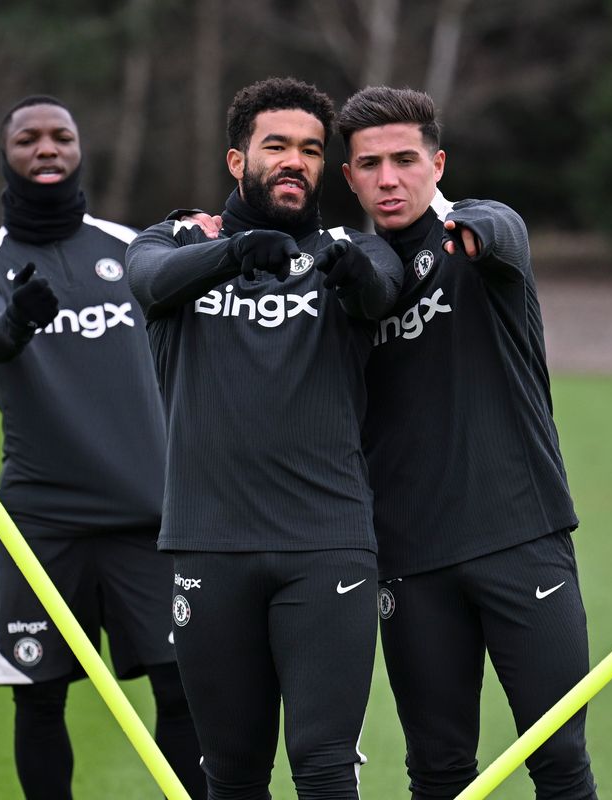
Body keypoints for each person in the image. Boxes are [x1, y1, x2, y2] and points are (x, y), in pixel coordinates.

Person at [125, 77, 403, 800]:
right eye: (276, 145)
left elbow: (383, 290)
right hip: (207, 543)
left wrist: (345, 272)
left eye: (312, 149)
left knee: (324, 764)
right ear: (235, 159)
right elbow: (148, 281)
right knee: (232, 773)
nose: (295, 161)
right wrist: (240, 252)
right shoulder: (180, 240)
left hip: (327, 543)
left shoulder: (352, 250)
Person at [336, 87, 598, 799]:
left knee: (559, 761)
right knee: (439, 773)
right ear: (349, 177)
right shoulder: (349, 275)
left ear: (437, 162)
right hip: (411, 563)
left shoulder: (485, 235)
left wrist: (471, 234)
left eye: (404, 160)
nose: (389, 179)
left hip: (522, 539)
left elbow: (496, 229)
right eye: (369, 165)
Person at [0, 96, 205, 798]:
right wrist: (19, 319)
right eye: (29, 138)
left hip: (149, 515)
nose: (46, 148)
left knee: (183, 694)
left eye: (61, 135)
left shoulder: (129, 248)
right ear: (8, 154)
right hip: (41, 523)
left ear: (81, 148)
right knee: (38, 697)